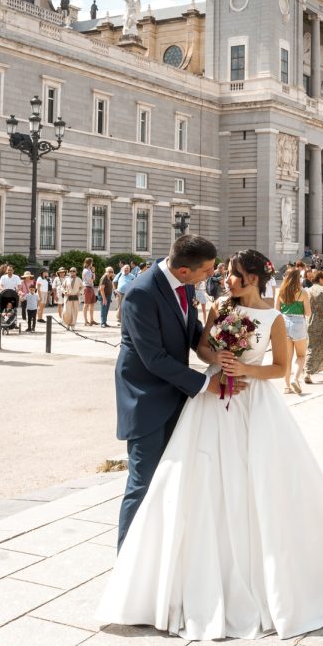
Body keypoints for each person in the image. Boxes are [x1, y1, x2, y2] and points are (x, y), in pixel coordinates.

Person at [97, 247, 323, 639]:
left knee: (254, 480)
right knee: (182, 483)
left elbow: (279, 368)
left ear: (253, 278)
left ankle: (252, 564)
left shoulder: (272, 317)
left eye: (230, 273)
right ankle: (139, 569)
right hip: (206, 399)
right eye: (217, 271)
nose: (221, 278)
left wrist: (242, 366)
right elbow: (197, 346)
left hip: (250, 402)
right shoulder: (213, 305)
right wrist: (216, 361)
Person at [113, 235, 236, 551]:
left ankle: (158, 553)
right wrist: (206, 384)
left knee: (171, 479)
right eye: (207, 270)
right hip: (146, 399)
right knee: (143, 483)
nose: (211, 275)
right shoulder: (140, 293)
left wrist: (220, 351)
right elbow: (153, 358)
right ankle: (126, 558)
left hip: (175, 394)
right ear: (184, 270)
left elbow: (189, 330)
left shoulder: (186, 285)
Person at [274, 265, 311, 395]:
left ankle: (286, 386)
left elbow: (276, 311)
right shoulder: (302, 292)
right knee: (301, 355)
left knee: (287, 358)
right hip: (298, 323)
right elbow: (308, 312)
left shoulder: (281, 292)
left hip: (284, 323)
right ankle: (295, 378)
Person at [82, 257, 97, 326]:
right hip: (87, 287)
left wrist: (93, 272)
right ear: (89, 263)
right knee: (86, 304)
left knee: (92, 304)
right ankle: (85, 321)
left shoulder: (90, 270)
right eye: (92, 262)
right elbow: (90, 281)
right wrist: (92, 279)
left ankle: (91, 320)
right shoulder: (86, 271)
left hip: (91, 287)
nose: (92, 264)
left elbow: (94, 279)